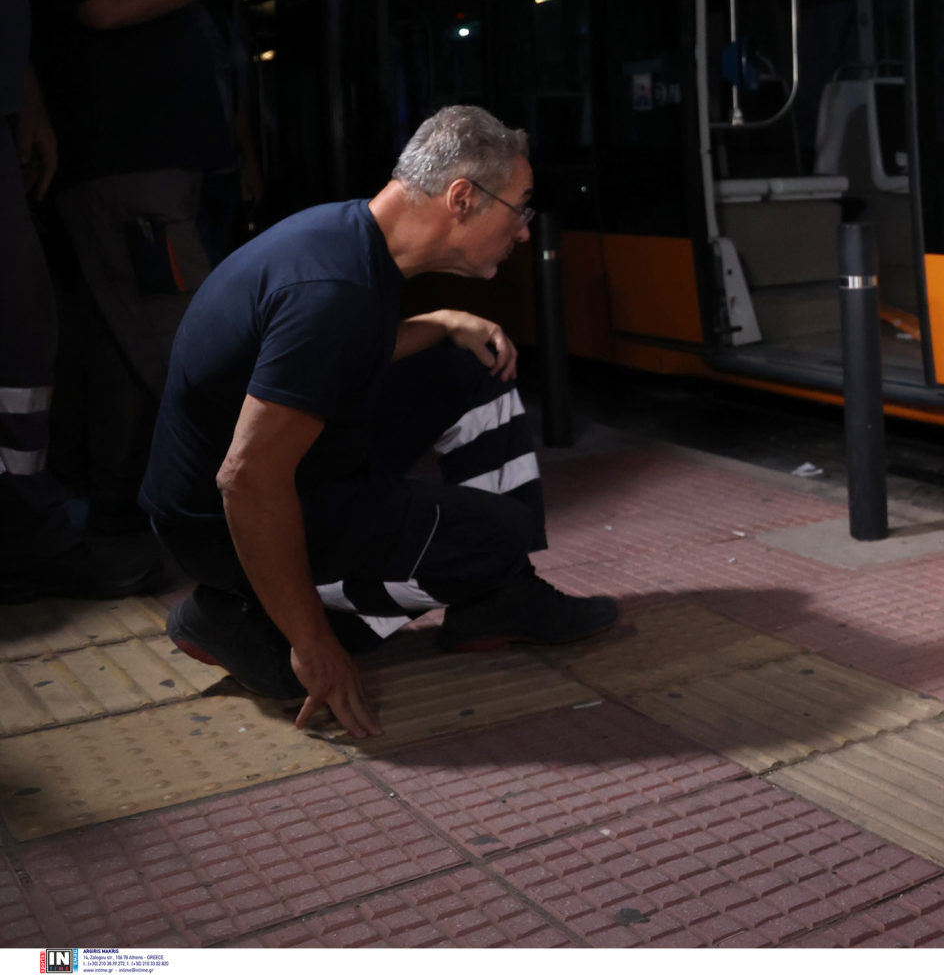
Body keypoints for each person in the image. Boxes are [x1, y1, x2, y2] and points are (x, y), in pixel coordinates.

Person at [142, 106, 619, 737]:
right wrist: (314, 646)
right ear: (462, 198)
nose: (526, 231)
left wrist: (444, 321)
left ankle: (502, 597)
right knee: (493, 536)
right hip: (226, 522)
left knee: (472, 365)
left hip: (269, 475)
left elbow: (320, 361)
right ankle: (245, 615)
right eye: (520, 207)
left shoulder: (346, 235)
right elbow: (247, 481)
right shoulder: (332, 291)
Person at [18, 0, 282, 548]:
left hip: (153, 176)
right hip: (127, 178)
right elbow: (104, 7)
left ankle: (122, 517)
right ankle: (243, 524)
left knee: (121, 351)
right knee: (189, 345)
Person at [0, 0, 155, 600]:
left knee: (25, 333)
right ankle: (30, 535)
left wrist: (26, 101)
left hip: (3, 120)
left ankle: (23, 526)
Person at [160, 0, 263, 263]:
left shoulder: (221, 19)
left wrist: (247, 163)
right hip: (175, 172)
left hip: (221, 169)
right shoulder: (152, 17)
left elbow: (235, 95)